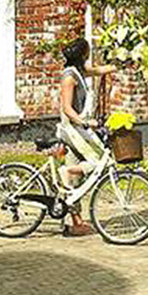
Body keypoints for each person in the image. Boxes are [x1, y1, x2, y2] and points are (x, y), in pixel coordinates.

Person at [58, 37, 116, 237]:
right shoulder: (69, 77)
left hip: (77, 128)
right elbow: (66, 107)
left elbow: (98, 71)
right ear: (83, 54)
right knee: (101, 160)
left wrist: (119, 65)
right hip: (73, 128)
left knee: (73, 179)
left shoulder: (79, 71)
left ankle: (77, 223)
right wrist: (84, 123)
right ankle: (66, 171)